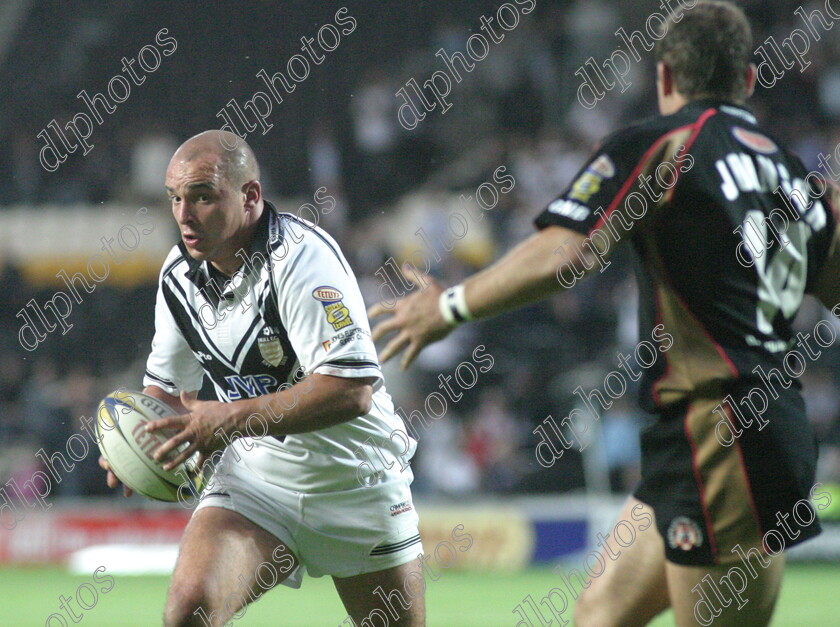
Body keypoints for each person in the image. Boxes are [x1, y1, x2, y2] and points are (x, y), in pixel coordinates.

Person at [369, 2, 840, 626]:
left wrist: (451, 305)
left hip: (723, 432)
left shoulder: (662, 145)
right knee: (598, 615)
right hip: (728, 430)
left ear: (665, 77)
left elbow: (571, 249)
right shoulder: (791, 171)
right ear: (748, 80)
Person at [99, 129, 425, 627]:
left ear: (251, 195)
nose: (185, 214)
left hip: (355, 479)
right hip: (257, 482)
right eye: (175, 198)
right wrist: (141, 442)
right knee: (188, 613)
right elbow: (165, 391)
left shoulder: (303, 258)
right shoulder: (177, 276)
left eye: (204, 196)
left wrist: (226, 421)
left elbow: (351, 391)